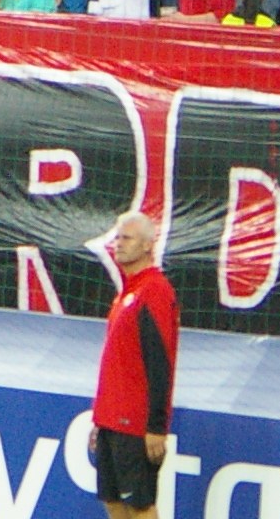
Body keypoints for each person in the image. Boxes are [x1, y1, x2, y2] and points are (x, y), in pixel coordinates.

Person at [91, 211, 178, 519]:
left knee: (140, 506)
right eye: (117, 238)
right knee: (112, 500)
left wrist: (156, 426)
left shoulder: (154, 290)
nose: (118, 244)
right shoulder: (127, 292)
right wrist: (100, 417)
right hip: (111, 419)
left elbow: (159, 361)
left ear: (147, 246)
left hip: (134, 422)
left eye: (126, 238)